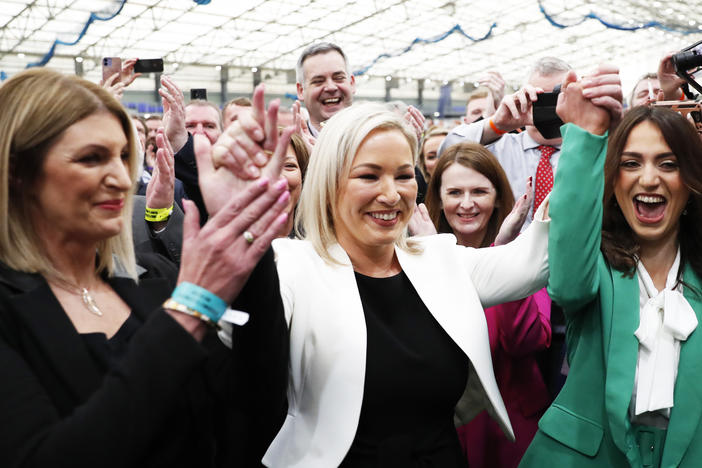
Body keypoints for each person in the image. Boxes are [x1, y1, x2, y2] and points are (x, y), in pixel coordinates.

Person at [211, 87, 552, 466]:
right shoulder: (289, 265)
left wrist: (587, 137)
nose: (391, 195)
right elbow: (239, 345)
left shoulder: (438, 260)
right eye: (369, 176)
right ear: (330, 182)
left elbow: (535, 260)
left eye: (404, 176)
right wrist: (244, 230)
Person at [0, 68, 291, 467]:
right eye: (91, 158)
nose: (121, 178)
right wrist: (188, 312)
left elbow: (251, 411)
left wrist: (248, 245)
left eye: (124, 156)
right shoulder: (9, 306)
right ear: (17, 172)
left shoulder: (152, 283)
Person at [519, 67, 702, 467]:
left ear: (690, 182)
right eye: (631, 163)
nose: (649, 179)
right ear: (613, 180)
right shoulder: (591, 263)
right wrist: (586, 132)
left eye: (668, 164)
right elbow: (566, 286)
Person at [417, 143, 551, 468]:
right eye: (455, 192)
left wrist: (502, 250)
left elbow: (526, 341)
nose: (466, 204)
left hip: (510, 435)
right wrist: (434, 255)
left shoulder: (526, 252)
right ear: (438, 198)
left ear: (498, 196)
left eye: (479, 191)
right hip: (441, 434)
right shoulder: (415, 254)